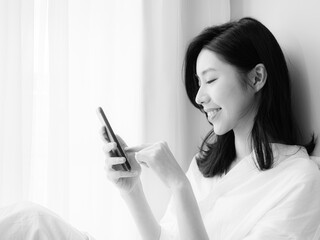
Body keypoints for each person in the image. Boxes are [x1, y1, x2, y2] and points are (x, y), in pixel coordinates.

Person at [101, 17, 320, 240]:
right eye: (199, 82)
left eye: (211, 80)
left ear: (257, 78)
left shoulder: (300, 179)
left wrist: (179, 186)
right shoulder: (203, 167)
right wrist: (132, 190)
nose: (199, 97)